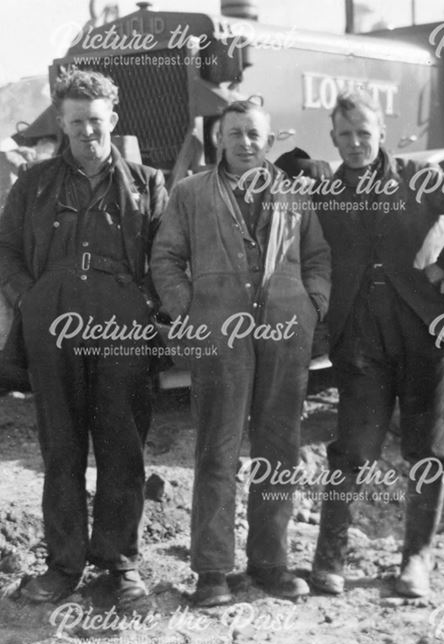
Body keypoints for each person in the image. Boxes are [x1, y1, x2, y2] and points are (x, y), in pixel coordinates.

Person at [306, 92, 444, 598]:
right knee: (351, 450)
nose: (355, 144)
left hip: (424, 334)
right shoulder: (328, 193)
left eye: (364, 134)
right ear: (333, 139)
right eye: (345, 135)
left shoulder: (417, 177)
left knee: (427, 452)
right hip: (362, 342)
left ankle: (417, 559)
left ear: (381, 134)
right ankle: (329, 560)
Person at [0, 69, 167, 604]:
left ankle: (119, 565)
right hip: (55, 327)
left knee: (122, 447)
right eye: (76, 122)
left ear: (112, 119)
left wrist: (145, 305)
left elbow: (168, 257)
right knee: (61, 449)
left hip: (121, 330)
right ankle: (63, 567)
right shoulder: (34, 184)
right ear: (62, 126)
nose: (88, 131)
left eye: (96, 120)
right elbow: (2, 250)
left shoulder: (148, 183)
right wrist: (30, 299)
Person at [150, 99, 331, 607]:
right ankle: (212, 572)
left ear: (269, 141)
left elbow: (317, 259)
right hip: (219, 336)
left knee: (279, 451)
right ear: (219, 140)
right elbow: (165, 257)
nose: (245, 143)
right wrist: (188, 310)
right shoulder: (190, 194)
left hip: (284, 335)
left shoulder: (296, 195)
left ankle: (270, 564)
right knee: (217, 451)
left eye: (254, 134)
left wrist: (311, 307)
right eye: (235, 133)